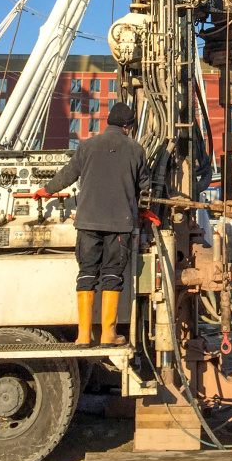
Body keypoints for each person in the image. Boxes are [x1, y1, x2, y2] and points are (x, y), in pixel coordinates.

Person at [33, 102, 149, 346]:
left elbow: (68, 174)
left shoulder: (86, 146)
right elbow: (145, 188)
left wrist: (46, 190)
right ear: (128, 127)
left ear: (109, 123)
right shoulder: (136, 150)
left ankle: (83, 336)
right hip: (120, 224)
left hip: (87, 222)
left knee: (86, 274)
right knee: (112, 276)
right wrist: (147, 212)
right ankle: (108, 334)